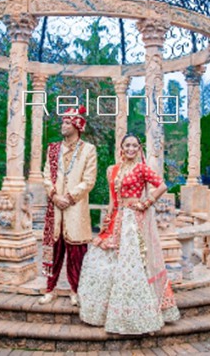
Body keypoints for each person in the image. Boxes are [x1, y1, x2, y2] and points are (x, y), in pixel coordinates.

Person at [78, 133, 180, 334]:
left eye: (134, 145)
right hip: (116, 217)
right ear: (121, 148)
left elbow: (162, 185)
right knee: (104, 261)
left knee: (131, 264)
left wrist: (146, 203)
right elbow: (112, 199)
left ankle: (139, 314)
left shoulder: (142, 168)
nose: (131, 149)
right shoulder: (112, 170)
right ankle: (106, 311)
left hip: (133, 222)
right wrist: (107, 219)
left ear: (139, 148)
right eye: (127, 145)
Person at [39, 106, 97, 306]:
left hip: (75, 209)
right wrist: (54, 196)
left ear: (77, 125)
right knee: (52, 252)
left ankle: (76, 290)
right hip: (55, 208)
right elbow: (46, 175)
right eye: (63, 122)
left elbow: (89, 180)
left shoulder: (89, 150)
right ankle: (50, 288)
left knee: (76, 255)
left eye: (66, 122)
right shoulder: (53, 149)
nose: (62, 125)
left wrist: (69, 198)